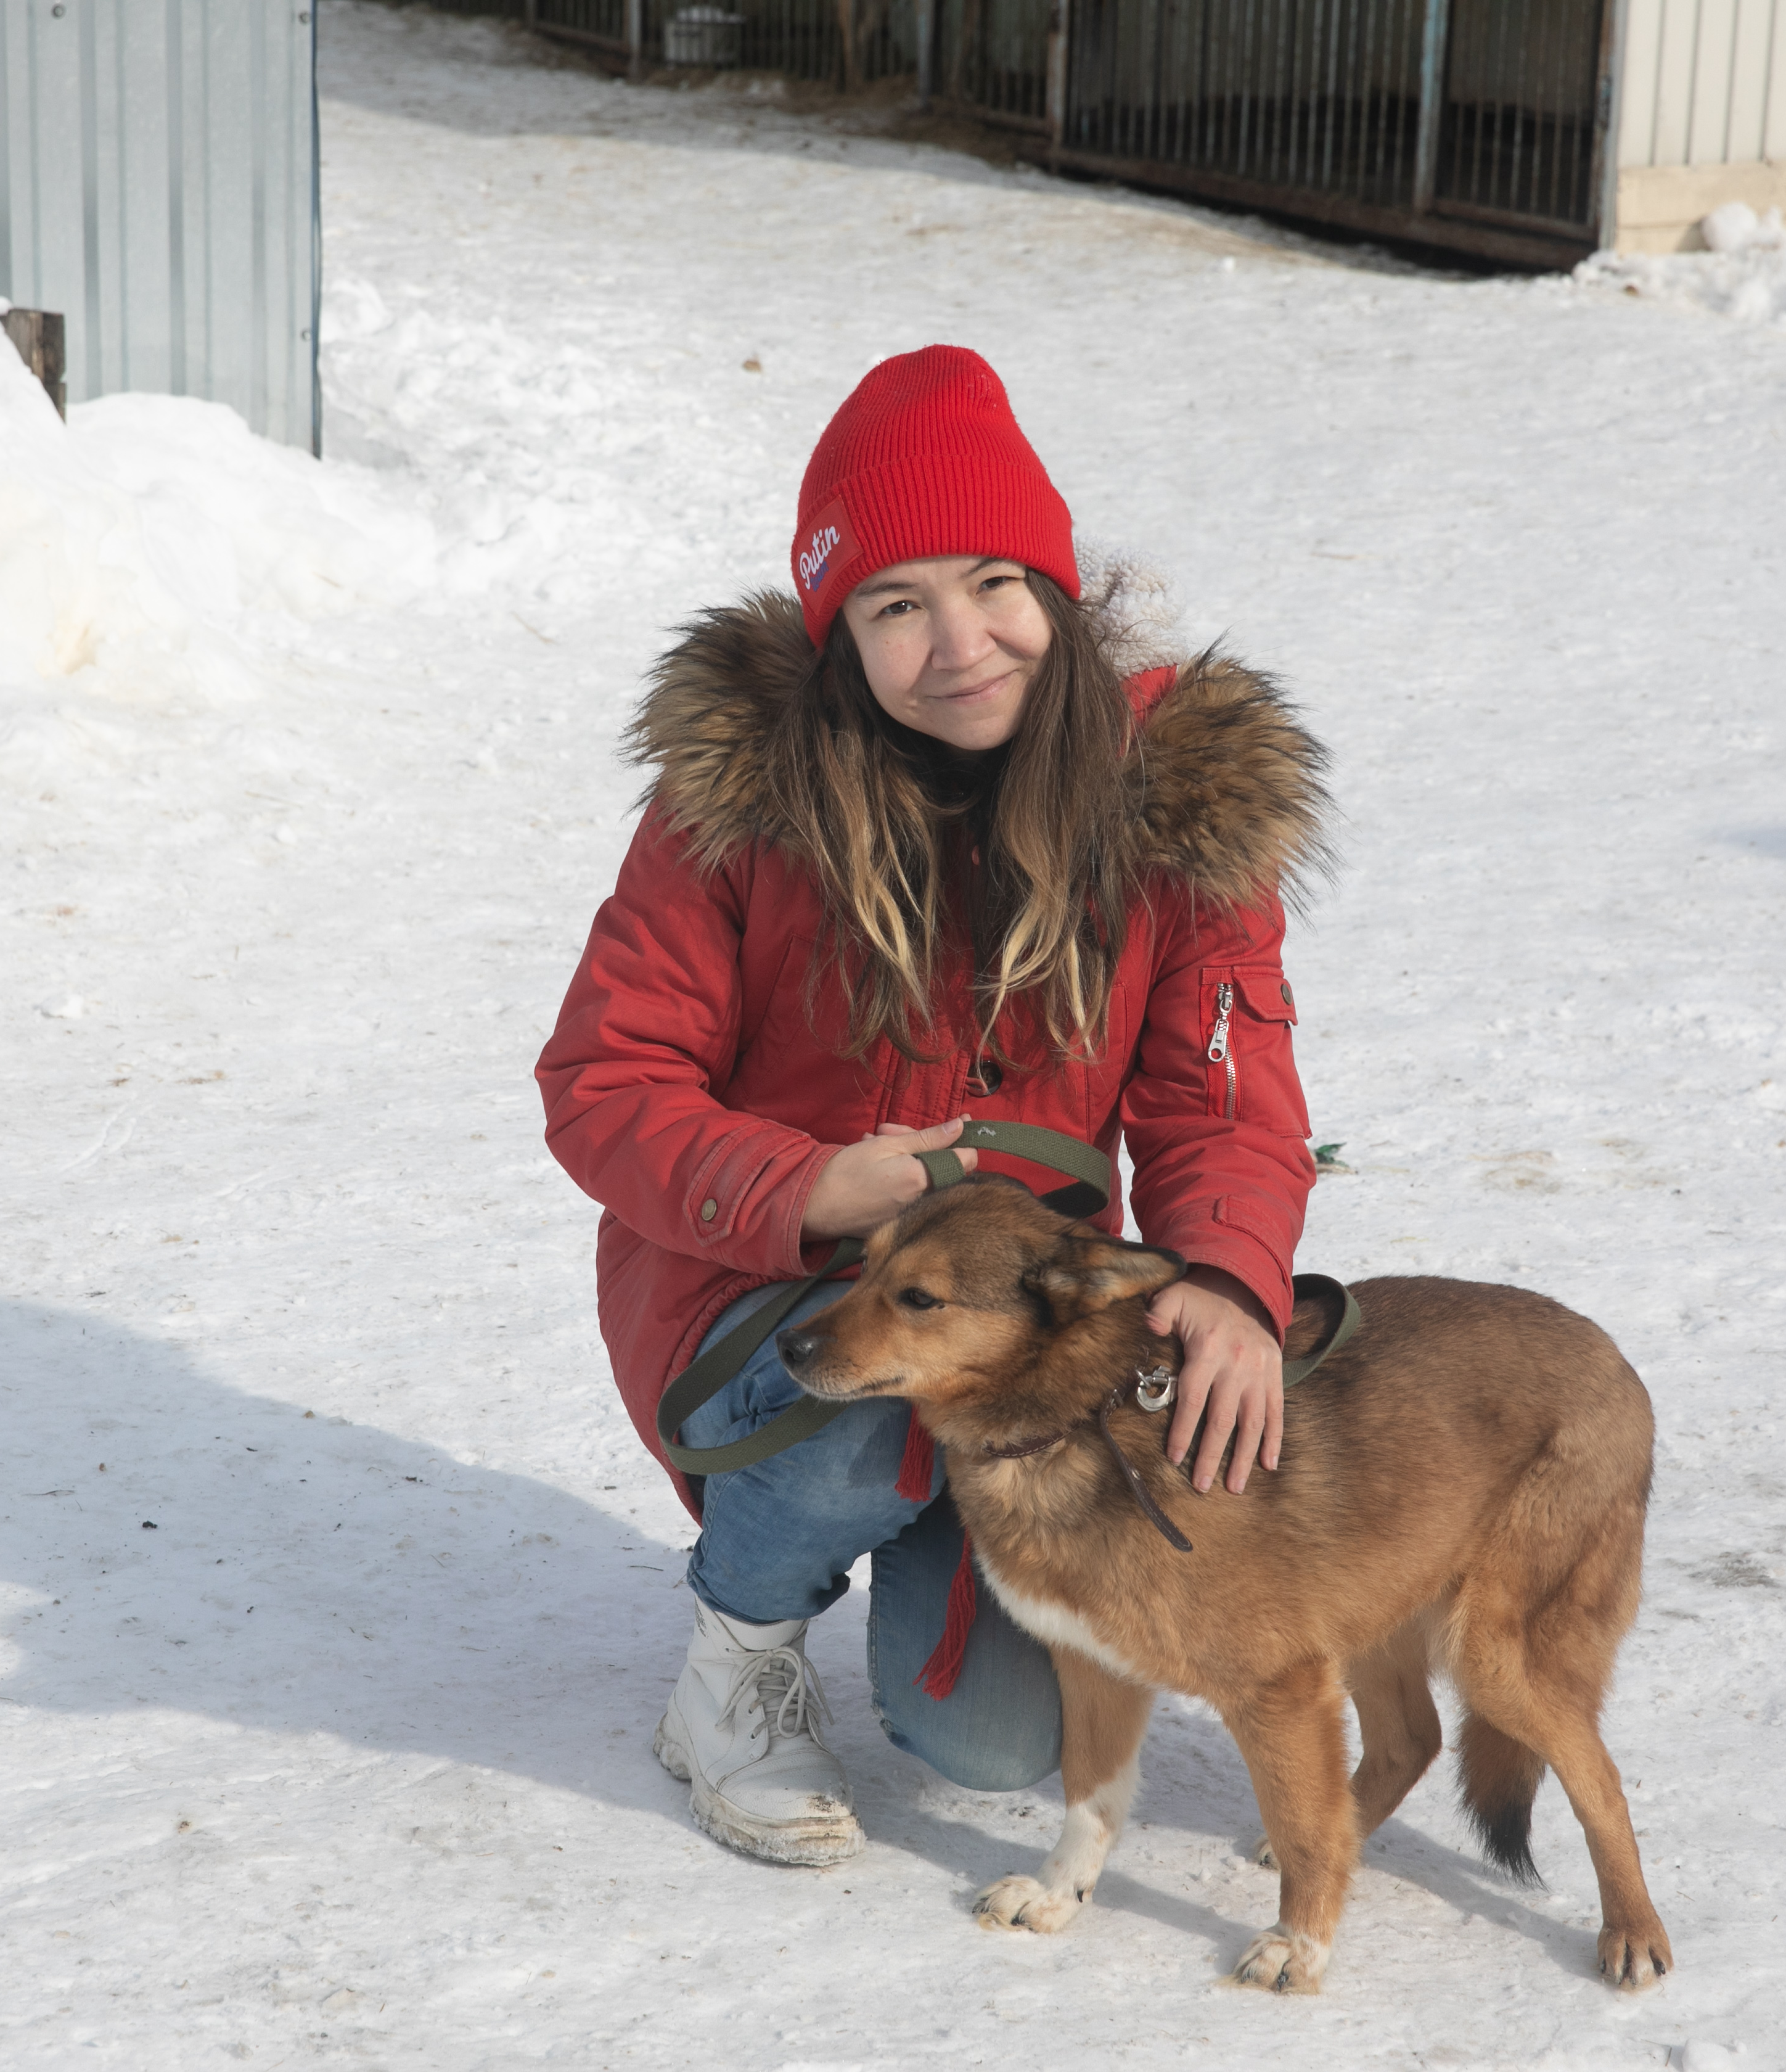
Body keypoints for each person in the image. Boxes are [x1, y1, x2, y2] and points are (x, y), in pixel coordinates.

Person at [535, 345, 1329, 1865]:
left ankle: (936, 1525)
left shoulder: (1177, 808)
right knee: (853, 1432)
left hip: (1012, 1309)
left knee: (994, 1739)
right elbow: (603, 1082)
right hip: (755, 1283)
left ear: (1060, 593)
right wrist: (801, 1188)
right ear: (842, 635)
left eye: (991, 585)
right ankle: (735, 1668)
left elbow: (1219, 1098)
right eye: (897, 606)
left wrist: (1230, 1277)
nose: (959, 644)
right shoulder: (740, 807)